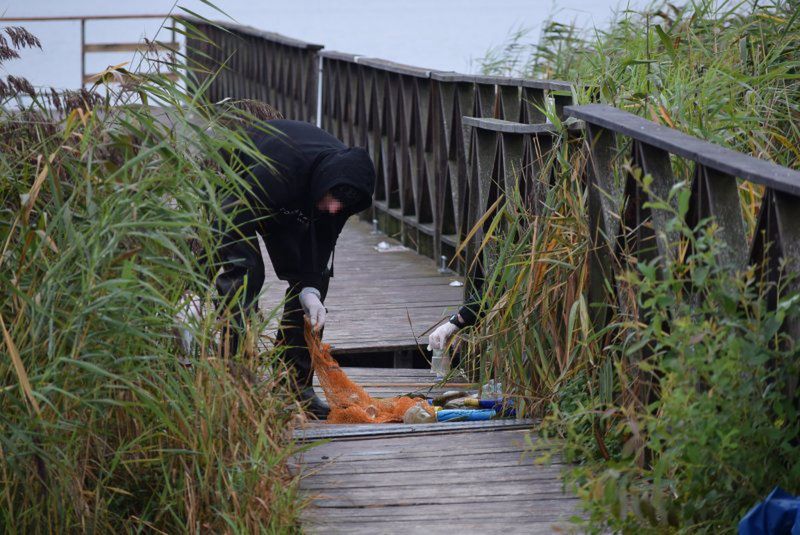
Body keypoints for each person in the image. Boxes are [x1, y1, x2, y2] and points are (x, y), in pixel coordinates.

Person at [214, 115, 375, 419]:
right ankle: (232, 381)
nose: (334, 210)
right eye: (333, 201)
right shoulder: (282, 168)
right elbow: (225, 220)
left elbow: (320, 250)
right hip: (238, 187)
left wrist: (310, 289)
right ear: (326, 183)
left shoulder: (341, 192)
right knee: (247, 274)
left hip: (293, 202)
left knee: (317, 284)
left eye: (342, 208)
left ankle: (292, 388)